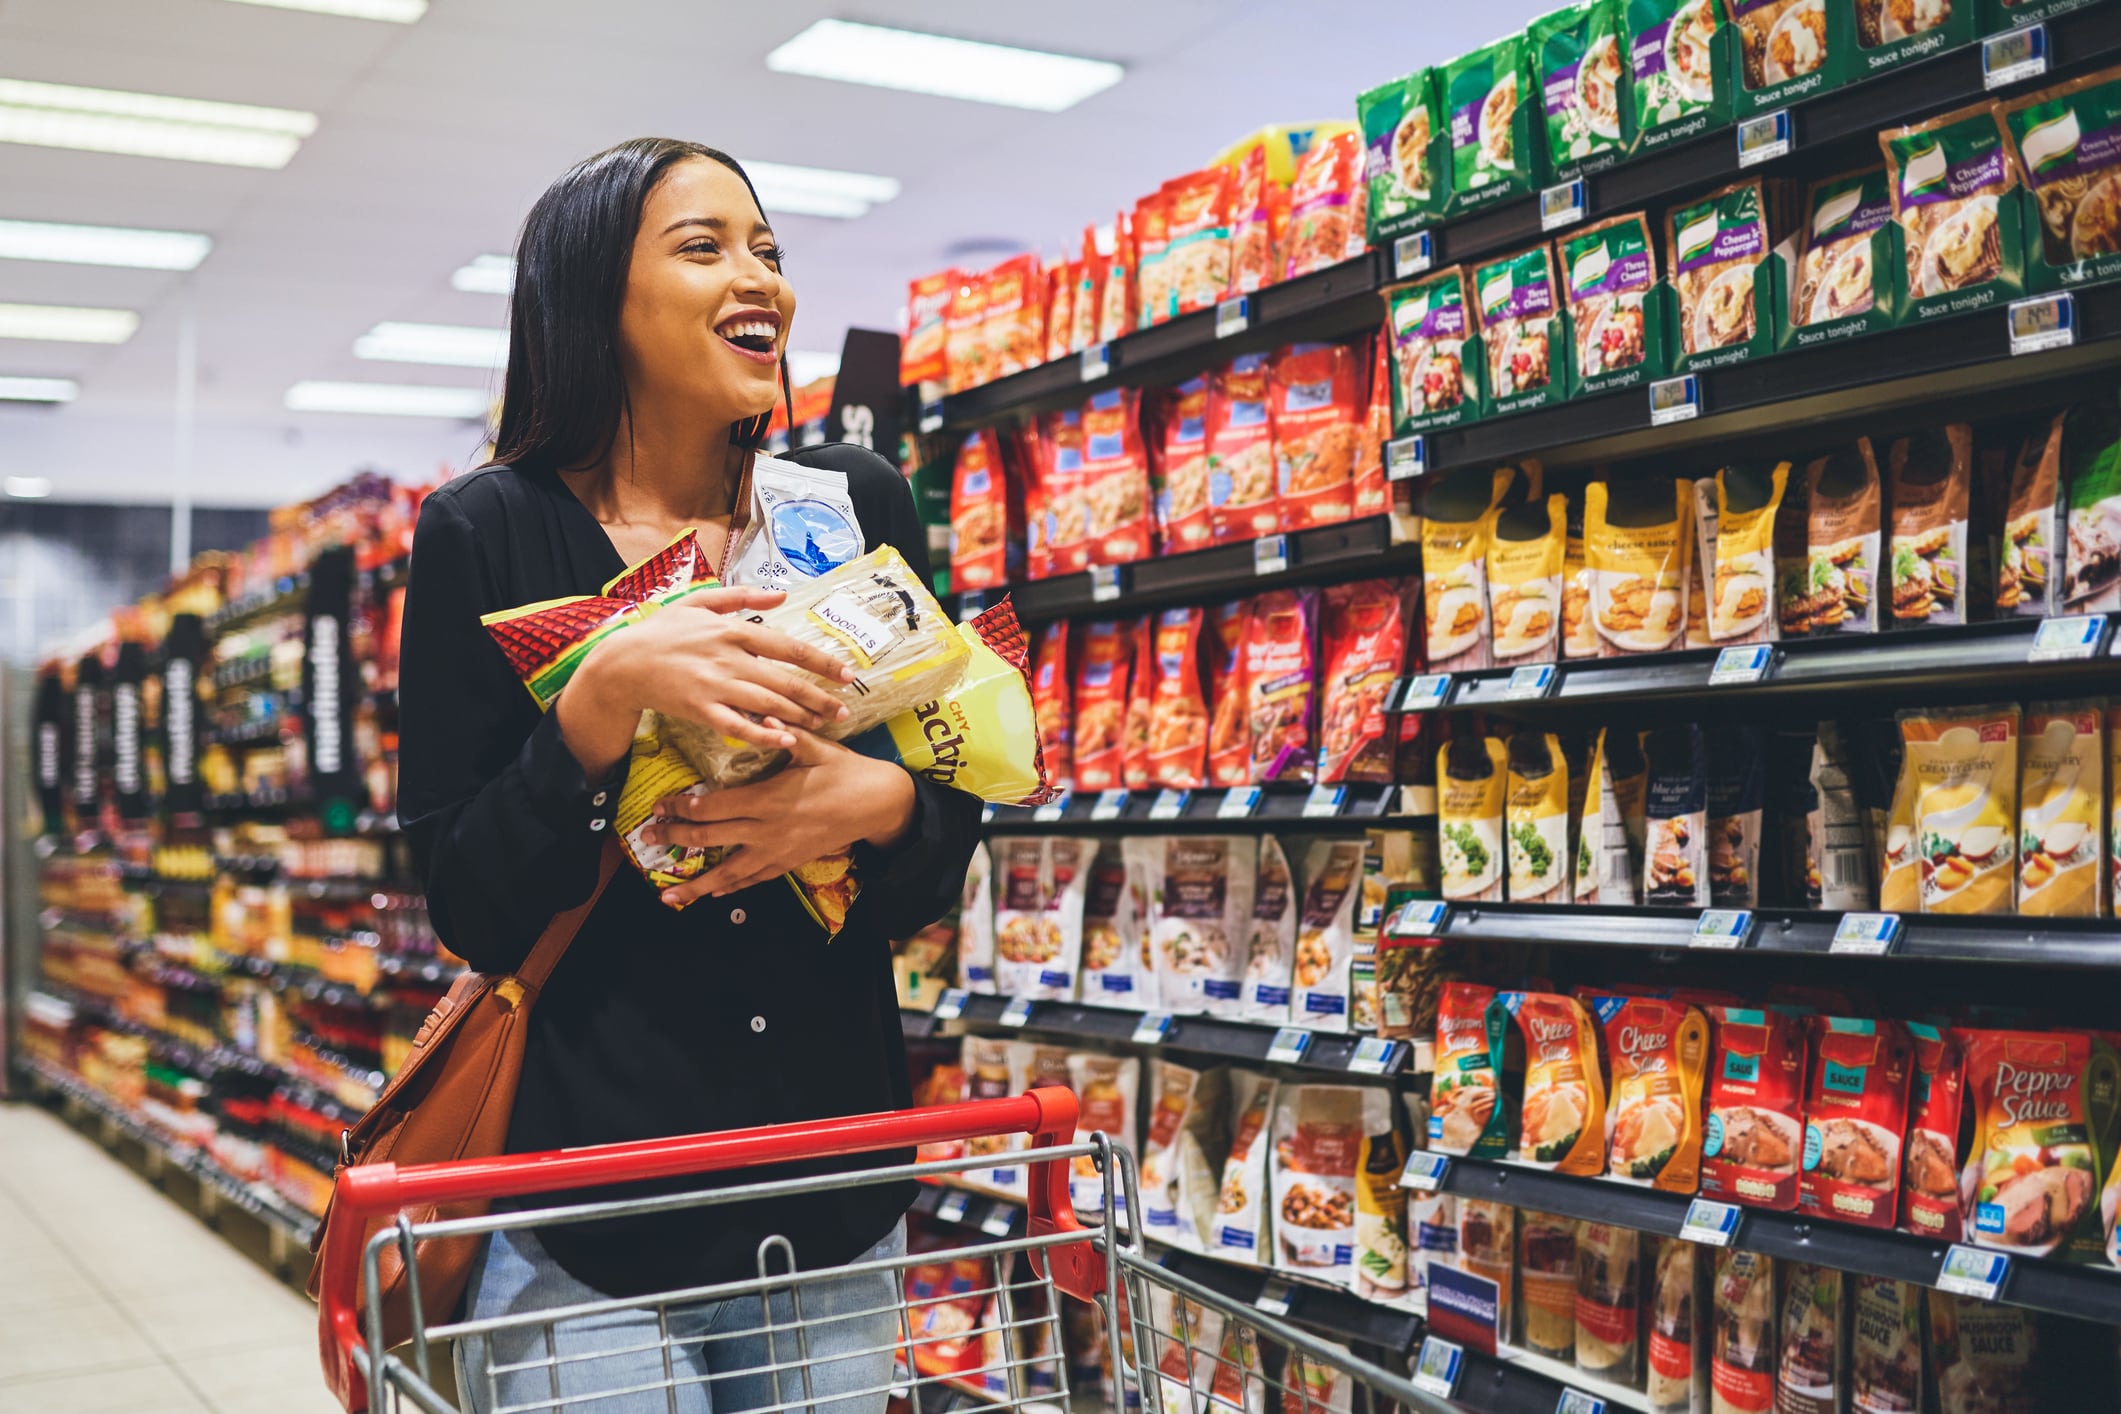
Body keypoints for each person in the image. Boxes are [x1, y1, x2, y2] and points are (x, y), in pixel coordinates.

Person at [395, 137, 979, 1414]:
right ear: (592, 298)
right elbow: (464, 901)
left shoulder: (858, 502)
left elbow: (948, 815)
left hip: (834, 1190)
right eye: (704, 247)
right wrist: (597, 707)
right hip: (592, 1224)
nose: (755, 275)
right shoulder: (487, 532)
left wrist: (877, 803)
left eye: (767, 247)